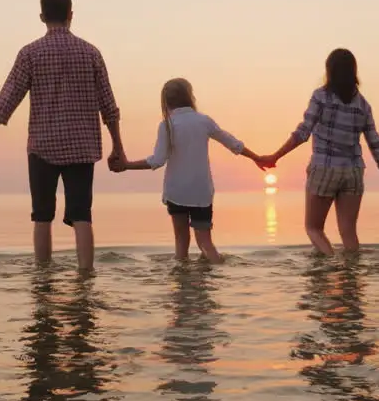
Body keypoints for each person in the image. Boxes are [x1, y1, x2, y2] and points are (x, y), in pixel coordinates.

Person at [0, 0, 125, 271]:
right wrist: (118, 146)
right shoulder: (91, 52)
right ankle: (85, 278)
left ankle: (43, 280)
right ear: (71, 15)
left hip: (43, 148)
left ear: (42, 17)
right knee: (82, 215)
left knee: (42, 216)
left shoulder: (30, 54)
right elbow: (109, 106)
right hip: (82, 147)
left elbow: (3, 106)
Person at [111, 78, 267, 263]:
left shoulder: (167, 125)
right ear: (190, 97)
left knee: (181, 244)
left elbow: (157, 160)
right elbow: (233, 143)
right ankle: (216, 272)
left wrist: (127, 165)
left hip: (177, 192)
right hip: (201, 192)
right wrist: (257, 157)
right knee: (205, 243)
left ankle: (181, 284)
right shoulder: (204, 121)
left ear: (165, 102)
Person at [263, 49, 379, 256]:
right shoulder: (363, 105)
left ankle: (330, 261)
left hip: (324, 168)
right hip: (353, 172)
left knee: (314, 229)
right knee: (349, 233)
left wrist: (275, 156)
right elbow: (374, 140)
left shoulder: (321, 97)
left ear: (330, 71)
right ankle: (351, 276)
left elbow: (303, 132)